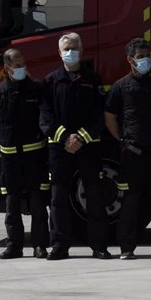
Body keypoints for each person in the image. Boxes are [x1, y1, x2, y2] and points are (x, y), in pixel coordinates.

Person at [104, 38, 151, 260]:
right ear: (130, 59)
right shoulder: (120, 86)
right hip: (132, 155)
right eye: (140, 57)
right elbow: (110, 118)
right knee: (130, 202)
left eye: (148, 56)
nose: (146, 60)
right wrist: (122, 140)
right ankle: (126, 248)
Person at [40, 32, 109, 260]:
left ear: (82, 50)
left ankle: (99, 245)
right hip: (60, 149)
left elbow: (101, 115)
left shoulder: (93, 79)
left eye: (74, 48)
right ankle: (60, 245)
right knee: (58, 198)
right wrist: (65, 139)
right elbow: (45, 117)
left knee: (95, 195)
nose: (71, 52)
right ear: (59, 53)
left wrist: (80, 137)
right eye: (66, 49)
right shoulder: (50, 81)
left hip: (88, 146)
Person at [0, 49, 50, 259]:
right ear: (7, 68)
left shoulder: (36, 88)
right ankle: (14, 246)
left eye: (23, 63)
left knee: (38, 202)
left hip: (34, 156)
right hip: (10, 158)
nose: (21, 68)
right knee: (12, 203)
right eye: (17, 65)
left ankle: (40, 245)